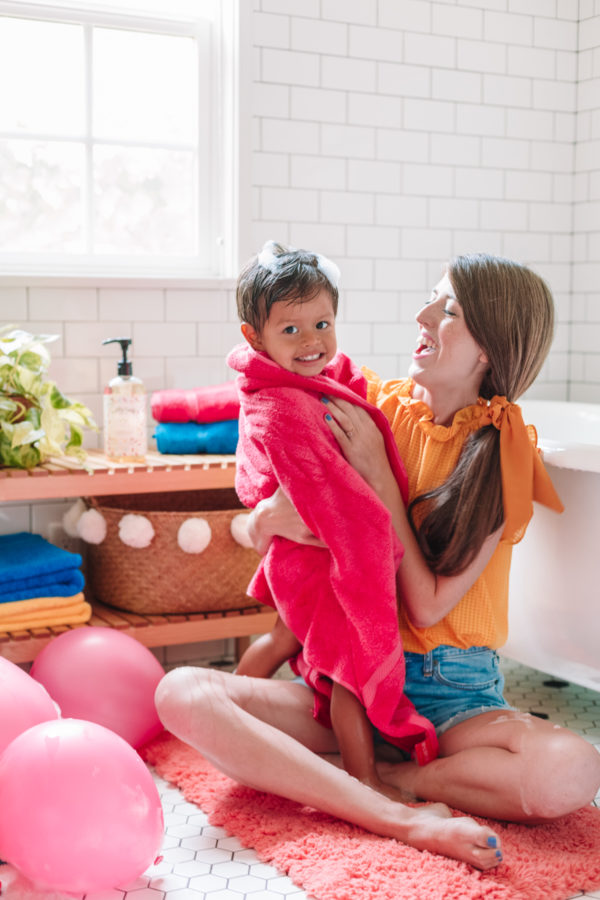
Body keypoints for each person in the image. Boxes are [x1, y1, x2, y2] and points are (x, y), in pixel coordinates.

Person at [155, 252, 600, 871]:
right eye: (429, 298)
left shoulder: (505, 450)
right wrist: (263, 521)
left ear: (488, 350)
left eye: (447, 311)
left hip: (455, 698)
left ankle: (395, 781)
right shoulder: (373, 405)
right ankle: (385, 804)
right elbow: (276, 498)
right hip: (357, 681)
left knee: (573, 769)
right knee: (182, 692)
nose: (421, 316)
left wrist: (382, 487)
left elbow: (428, 602)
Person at [227, 240, 438, 799]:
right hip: (313, 555)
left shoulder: (318, 380)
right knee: (347, 666)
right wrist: (373, 548)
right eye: (290, 331)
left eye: (322, 323)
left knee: (282, 637)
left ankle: (223, 711)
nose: (313, 342)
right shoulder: (282, 405)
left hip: (301, 554)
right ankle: (363, 778)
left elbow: (344, 400)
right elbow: (328, 492)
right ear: (255, 337)